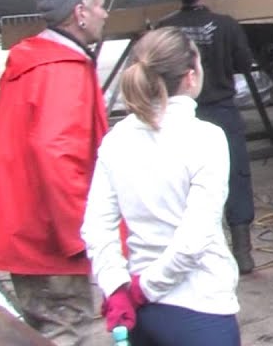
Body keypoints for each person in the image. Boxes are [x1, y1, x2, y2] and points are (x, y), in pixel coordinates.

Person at [0, 0, 110, 345]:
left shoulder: (31, 63)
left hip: (24, 223)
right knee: (67, 327)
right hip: (49, 236)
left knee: (44, 325)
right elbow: (56, 154)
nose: (105, 13)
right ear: (80, 13)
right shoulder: (62, 71)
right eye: (99, 4)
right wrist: (79, 234)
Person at [81, 27, 241, 346]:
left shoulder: (115, 141)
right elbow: (194, 239)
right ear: (191, 76)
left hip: (140, 314)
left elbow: (96, 228)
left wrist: (116, 288)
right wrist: (144, 288)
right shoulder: (206, 139)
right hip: (201, 310)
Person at [158, 0, 258, 274]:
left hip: (179, 115)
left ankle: (191, 254)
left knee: (183, 183)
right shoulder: (226, 25)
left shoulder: (165, 30)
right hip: (222, 112)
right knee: (235, 177)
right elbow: (245, 63)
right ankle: (242, 253)